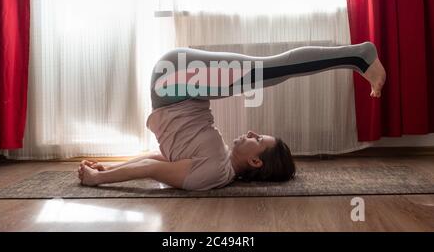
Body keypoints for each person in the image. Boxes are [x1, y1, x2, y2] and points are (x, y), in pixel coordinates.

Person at [78, 41, 386, 191]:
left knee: (273, 69)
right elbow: (156, 160)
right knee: (270, 70)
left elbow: (151, 164)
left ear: (255, 162)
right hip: (178, 83)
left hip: (175, 81)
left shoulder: (213, 173)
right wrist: (106, 171)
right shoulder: (219, 163)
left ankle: (359, 55)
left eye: (258, 138)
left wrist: (100, 177)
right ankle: (356, 57)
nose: (252, 132)